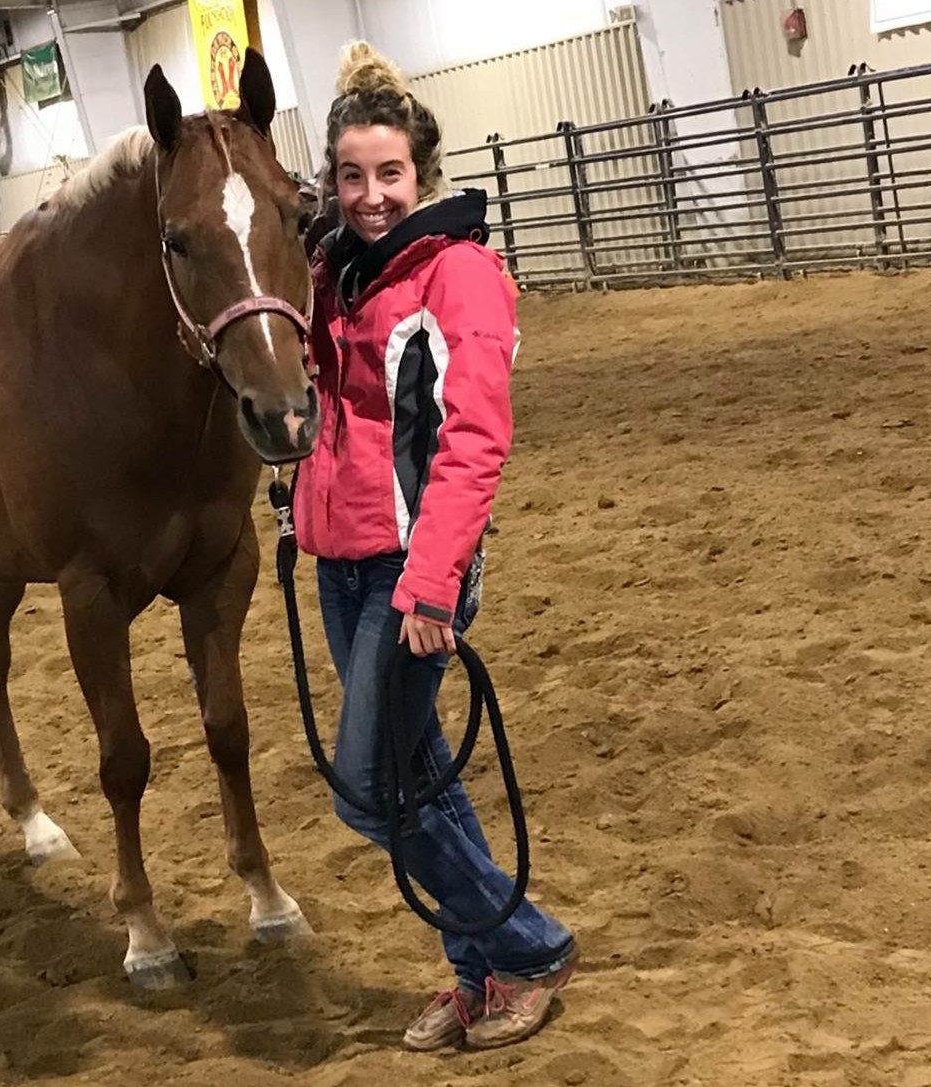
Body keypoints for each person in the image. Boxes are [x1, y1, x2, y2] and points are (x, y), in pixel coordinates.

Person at [291, 41, 578, 1052]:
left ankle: (528, 944)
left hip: (412, 572)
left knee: (369, 789)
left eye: (390, 175)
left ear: (423, 174)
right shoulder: (337, 273)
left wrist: (432, 584)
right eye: (352, 177)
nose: (371, 195)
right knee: (417, 780)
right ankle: (478, 974)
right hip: (340, 557)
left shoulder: (457, 274)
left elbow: (472, 442)